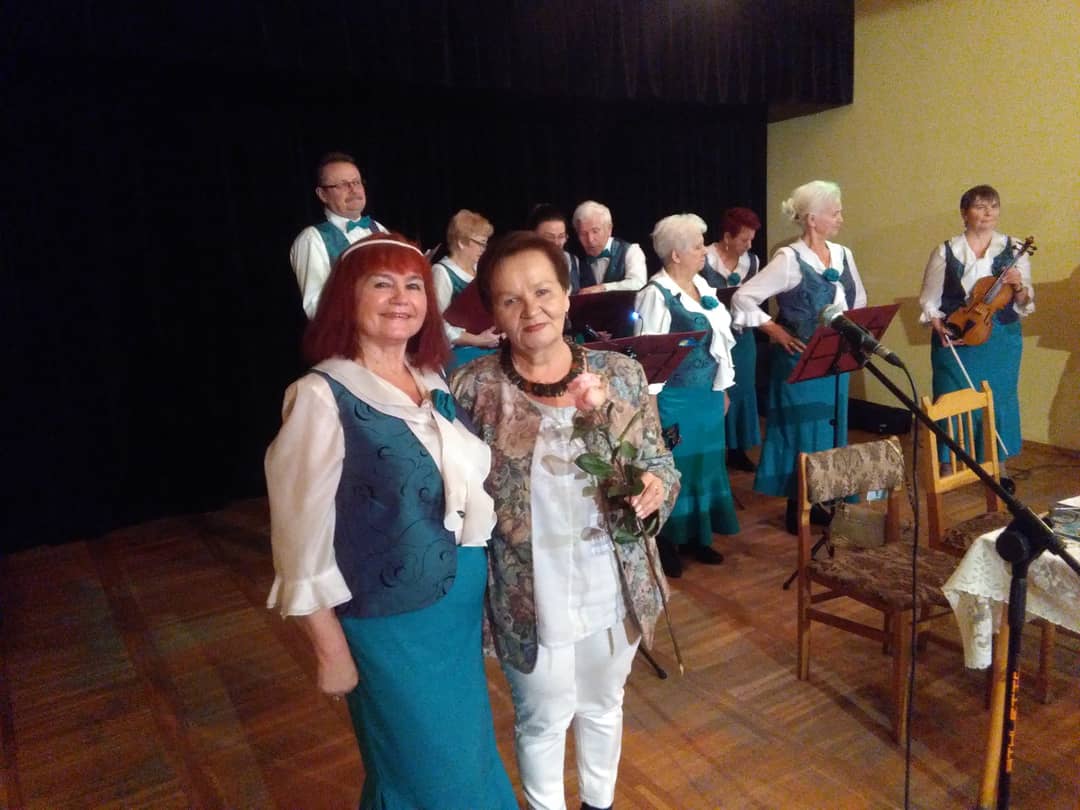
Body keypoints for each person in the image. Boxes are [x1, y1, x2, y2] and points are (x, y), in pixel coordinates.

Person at [265, 233, 516, 810]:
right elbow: (299, 541)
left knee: (464, 754)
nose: (401, 298)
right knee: (429, 772)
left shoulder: (431, 379)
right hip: (390, 621)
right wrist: (329, 650)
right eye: (382, 284)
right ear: (346, 298)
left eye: (413, 285)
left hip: (452, 611)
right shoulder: (320, 396)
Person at [450, 231, 679, 810]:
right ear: (494, 313)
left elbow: (659, 464)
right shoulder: (472, 389)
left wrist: (656, 489)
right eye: (510, 300)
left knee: (604, 704)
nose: (531, 310)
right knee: (543, 718)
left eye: (543, 291)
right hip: (529, 591)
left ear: (567, 293)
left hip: (613, 579)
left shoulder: (620, 375)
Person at [731, 181, 867, 533]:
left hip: (835, 357)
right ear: (811, 218)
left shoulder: (843, 254)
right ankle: (799, 505)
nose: (840, 218)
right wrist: (774, 329)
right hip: (799, 360)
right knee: (802, 431)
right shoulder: (789, 259)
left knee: (831, 425)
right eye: (834, 213)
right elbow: (743, 297)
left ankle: (825, 498)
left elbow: (859, 299)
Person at [635, 214, 739, 578]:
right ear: (675, 254)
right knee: (675, 469)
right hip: (675, 400)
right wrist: (651, 413)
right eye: (697, 246)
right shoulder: (655, 294)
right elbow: (648, 361)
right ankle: (667, 541)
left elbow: (720, 345)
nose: (704, 252)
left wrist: (722, 389)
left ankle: (699, 536)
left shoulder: (702, 286)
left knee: (705, 466)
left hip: (706, 398)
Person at [918, 184, 1033, 486]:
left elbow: (1024, 302)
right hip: (957, 333)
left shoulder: (1015, 249)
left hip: (1001, 337)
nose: (987, 213)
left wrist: (1018, 284)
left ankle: (997, 462)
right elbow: (929, 300)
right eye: (980, 207)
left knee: (999, 397)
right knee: (951, 394)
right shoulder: (945, 251)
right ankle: (948, 461)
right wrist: (938, 324)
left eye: (993, 206)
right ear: (964, 213)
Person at [289, 152, 387, 318]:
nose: (353, 189)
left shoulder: (379, 228)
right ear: (322, 194)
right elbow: (316, 308)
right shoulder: (312, 239)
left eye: (356, 182)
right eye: (342, 185)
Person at [703, 207, 764, 473]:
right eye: (744, 239)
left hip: (742, 336)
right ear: (727, 237)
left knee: (742, 388)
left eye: (751, 239)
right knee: (716, 388)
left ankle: (738, 449)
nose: (749, 245)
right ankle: (715, 448)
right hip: (712, 338)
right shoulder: (704, 258)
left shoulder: (753, 262)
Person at [432, 209, 501, 370]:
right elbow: (435, 324)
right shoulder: (442, 272)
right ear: (461, 242)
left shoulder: (479, 268)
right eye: (480, 243)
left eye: (485, 243)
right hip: (460, 352)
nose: (484, 249)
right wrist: (477, 340)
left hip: (488, 345)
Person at [572, 200, 648, 294]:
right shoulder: (575, 259)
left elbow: (639, 284)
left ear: (609, 229)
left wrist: (603, 288)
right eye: (583, 234)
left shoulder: (631, 251)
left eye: (595, 231)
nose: (590, 239)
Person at [527, 203, 578, 293]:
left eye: (561, 236)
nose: (556, 243)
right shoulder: (522, 264)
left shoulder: (573, 261)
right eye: (549, 237)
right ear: (533, 236)